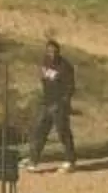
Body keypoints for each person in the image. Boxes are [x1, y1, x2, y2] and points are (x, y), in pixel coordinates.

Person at [33, 37, 79, 172]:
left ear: (58, 52)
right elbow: (44, 80)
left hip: (59, 105)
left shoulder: (65, 66)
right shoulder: (45, 62)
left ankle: (70, 160)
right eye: (49, 51)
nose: (52, 54)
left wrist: (64, 102)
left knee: (63, 132)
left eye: (54, 51)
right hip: (46, 102)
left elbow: (70, 87)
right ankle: (33, 160)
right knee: (39, 131)